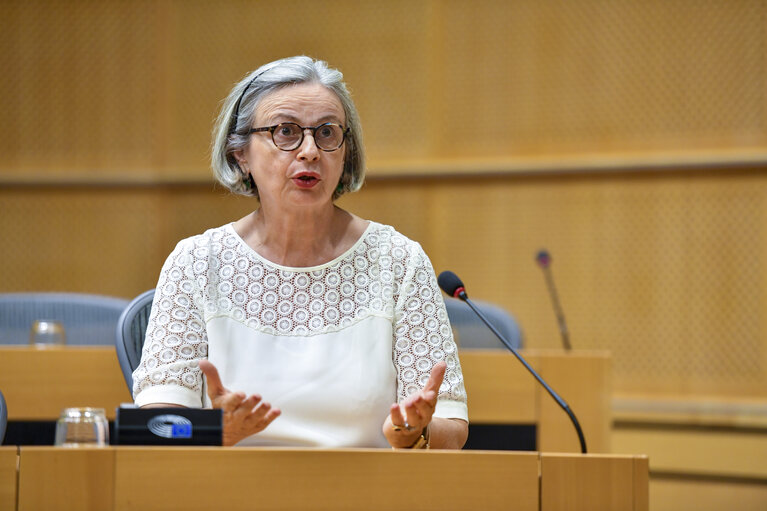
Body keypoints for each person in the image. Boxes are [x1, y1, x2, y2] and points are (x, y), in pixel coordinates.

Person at [132, 56, 468, 449]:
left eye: (327, 133)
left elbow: (451, 426)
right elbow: (157, 425)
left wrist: (414, 432)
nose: (309, 151)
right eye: (285, 132)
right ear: (240, 153)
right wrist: (215, 432)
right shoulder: (195, 263)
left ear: (345, 153)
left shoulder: (398, 261)